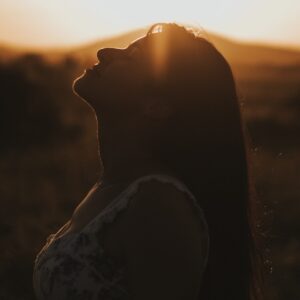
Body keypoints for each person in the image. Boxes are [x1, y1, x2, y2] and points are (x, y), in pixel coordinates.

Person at [33, 23, 266, 300]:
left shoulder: (157, 204)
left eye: (131, 57)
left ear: (156, 105)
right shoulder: (114, 187)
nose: (105, 52)